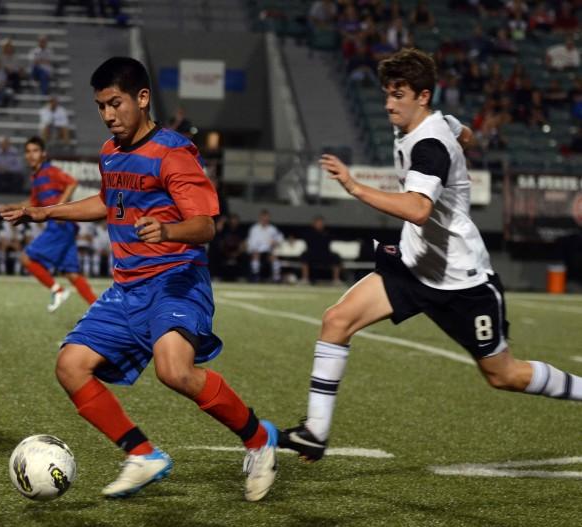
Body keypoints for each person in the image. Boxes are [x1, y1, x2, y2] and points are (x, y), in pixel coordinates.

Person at [279, 48, 582, 464]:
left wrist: (354, 186)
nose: (388, 103)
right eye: (387, 93)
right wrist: (464, 137)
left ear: (422, 96)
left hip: (461, 280)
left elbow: (418, 209)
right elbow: (461, 131)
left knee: (503, 375)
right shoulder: (428, 123)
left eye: (398, 94)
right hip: (413, 265)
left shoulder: (429, 146)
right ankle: (315, 432)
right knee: (337, 320)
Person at [0, 57, 278, 501]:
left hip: (177, 280)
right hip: (128, 288)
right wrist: (44, 211)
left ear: (142, 98)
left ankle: (259, 440)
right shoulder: (111, 152)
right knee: (70, 367)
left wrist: (168, 230)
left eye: (116, 103)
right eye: (101, 107)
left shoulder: (173, 152)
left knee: (174, 370)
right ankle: (143, 454)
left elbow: (206, 226)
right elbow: (110, 204)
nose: (109, 115)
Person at [2, 136, 97, 311]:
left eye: (35, 151)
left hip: (60, 225)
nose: (31, 155)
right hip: (65, 226)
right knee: (72, 274)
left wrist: (59, 207)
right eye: (28, 151)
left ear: (43, 154)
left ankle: (57, 290)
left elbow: (72, 183)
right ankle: (101, 312)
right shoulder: (36, 177)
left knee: (26, 258)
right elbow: (33, 204)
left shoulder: (49, 171)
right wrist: (12, 207)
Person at [299, 215, 342, 284]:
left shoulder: (327, 233)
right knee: (304, 256)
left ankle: (336, 280)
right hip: (312, 253)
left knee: (336, 257)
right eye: (317, 223)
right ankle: (305, 279)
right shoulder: (309, 233)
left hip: (325, 254)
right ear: (313, 223)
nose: (319, 224)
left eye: (321, 223)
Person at [246, 209, 283, 282]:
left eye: (266, 218)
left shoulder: (272, 229)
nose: (265, 219)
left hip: (268, 251)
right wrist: (255, 249)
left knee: (274, 257)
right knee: (256, 255)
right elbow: (251, 242)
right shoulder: (254, 229)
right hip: (256, 251)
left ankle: (276, 277)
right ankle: (255, 275)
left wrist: (275, 242)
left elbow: (280, 238)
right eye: (263, 217)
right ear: (260, 218)